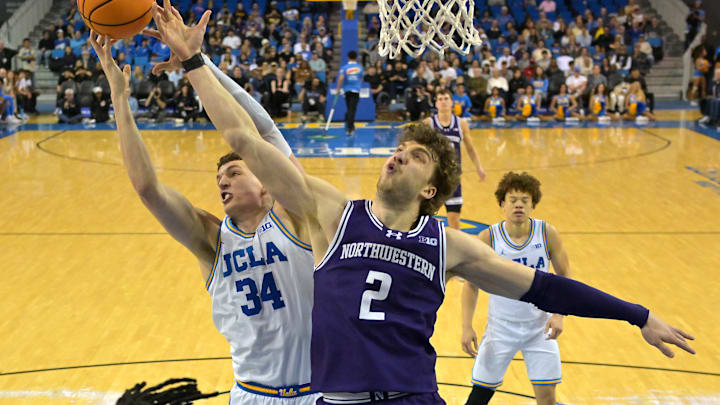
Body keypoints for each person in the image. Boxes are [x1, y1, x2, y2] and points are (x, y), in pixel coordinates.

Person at [150, 4, 695, 405]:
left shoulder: (448, 245)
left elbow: (545, 287)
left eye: (413, 157)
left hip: (413, 398)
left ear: (431, 189)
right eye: (397, 149)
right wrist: (197, 62)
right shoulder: (334, 216)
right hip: (334, 399)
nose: (395, 158)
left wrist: (637, 314)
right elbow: (250, 139)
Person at [90, 22, 320, 405]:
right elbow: (149, 188)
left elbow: (263, 130)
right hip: (252, 395)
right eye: (219, 178)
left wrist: (198, 61)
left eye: (233, 173)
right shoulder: (211, 240)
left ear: (266, 182)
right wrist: (119, 98)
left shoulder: (295, 215)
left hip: (319, 392)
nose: (222, 183)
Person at [461, 172, 569, 405]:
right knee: (477, 399)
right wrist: (466, 326)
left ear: (533, 205)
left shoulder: (547, 234)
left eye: (525, 200)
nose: (518, 205)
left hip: (540, 329)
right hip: (500, 329)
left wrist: (559, 316)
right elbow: (470, 285)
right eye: (512, 200)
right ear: (502, 204)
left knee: (547, 401)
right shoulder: (488, 238)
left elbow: (565, 277)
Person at [423, 89, 486, 230]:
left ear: (452, 102)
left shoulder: (461, 123)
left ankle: (453, 251)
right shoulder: (429, 123)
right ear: (436, 103)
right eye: (440, 99)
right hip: (433, 178)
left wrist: (479, 167)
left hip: (453, 179)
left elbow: (470, 148)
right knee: (425, 220)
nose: (443, 101)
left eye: (446, 98)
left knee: (455, 223)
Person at [336, 50, 363, 136]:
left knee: (349, 109)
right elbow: (361, 79)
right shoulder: (360, 68)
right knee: (352, 109)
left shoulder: (345, 67)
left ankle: (350, 124)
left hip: (347, 91)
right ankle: (349, 128)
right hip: (356, 91)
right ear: (356, 57)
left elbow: (341, 78)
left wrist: (338, 89)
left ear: (348, 57)